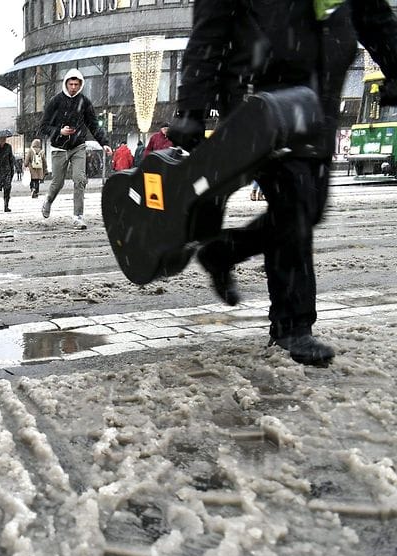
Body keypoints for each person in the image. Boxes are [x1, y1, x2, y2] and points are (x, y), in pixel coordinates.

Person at [168, 0, 397, 366]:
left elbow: (374, 16)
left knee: (310, 208)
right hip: (260, 96)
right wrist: (191, 108)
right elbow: (208, 32)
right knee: (294, 201)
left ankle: (223, 251)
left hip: (320, 94)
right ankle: (292, 326)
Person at [39, 68, 112, 230]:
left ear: (81, 85)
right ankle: (48, 200)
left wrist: (104, 143)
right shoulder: (55, 101)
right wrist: (59, 131)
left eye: (76, 84)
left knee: (80, 179)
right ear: (66, 84)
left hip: (78, 146)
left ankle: (78, 216)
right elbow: (43, 126)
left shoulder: (84, 102)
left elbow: (93, 125)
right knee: (58, 182)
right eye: (71, 84)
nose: (73, 87)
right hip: (59, 148)